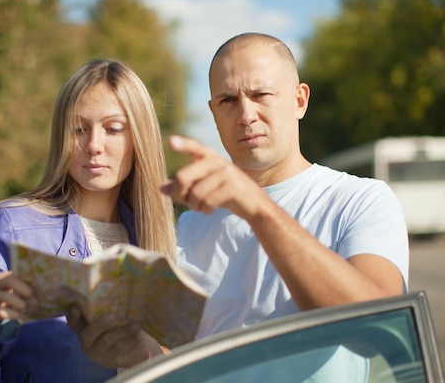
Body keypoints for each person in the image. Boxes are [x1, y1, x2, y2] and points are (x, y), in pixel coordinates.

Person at [160, 32, 409, 380]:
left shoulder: (360, 200)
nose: (246, 114)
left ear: (299, 100)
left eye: (261, 94)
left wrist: (258, 209)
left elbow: (374, 328)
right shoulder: (187, 226)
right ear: (213, 112)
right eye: (228, 100)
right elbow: (180, 354)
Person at [0, 58, 175, 383]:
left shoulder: (155, 241)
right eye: (79, 128)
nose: (94, 146)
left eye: (114, 129)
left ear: (139, 139)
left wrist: (152, 355)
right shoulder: (11, 227)